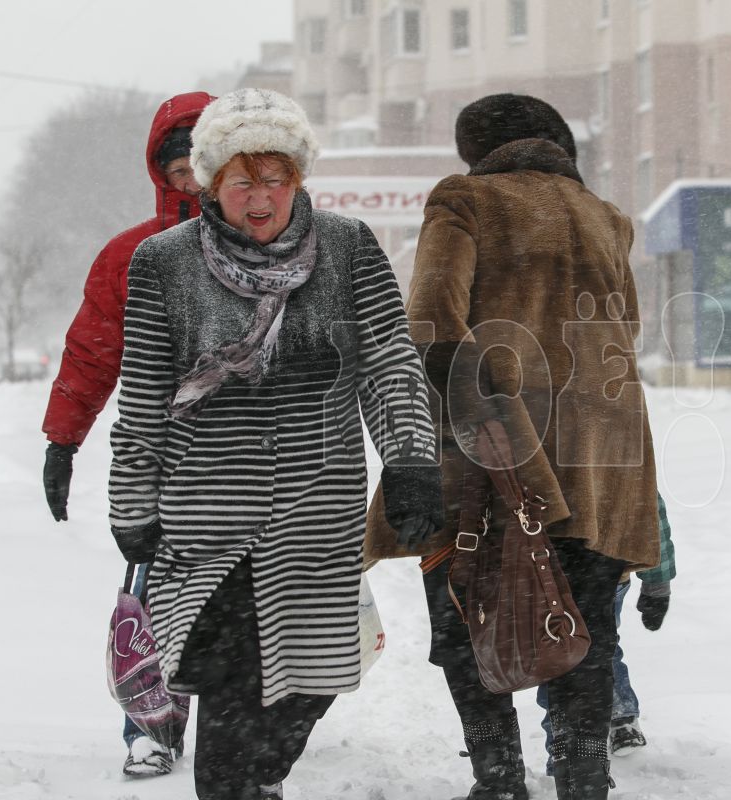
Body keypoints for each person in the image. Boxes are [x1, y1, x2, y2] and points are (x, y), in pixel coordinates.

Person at [107, 88, 441, 800]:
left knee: (305, 690)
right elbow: (141, 395)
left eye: (275, 178)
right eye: (241, 179)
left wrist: (410, 460)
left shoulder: (348, 248)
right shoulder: (162, 262)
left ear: (299, 178)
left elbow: (389, 364)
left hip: (316, 517)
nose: (260, 197)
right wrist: (131, 500)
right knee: (230, 705)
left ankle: (255, 786)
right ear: (210, 181)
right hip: (207, 524)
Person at [365, 93, 661, 800]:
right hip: (606, 454)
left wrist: (473, 426)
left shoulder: (464, 202)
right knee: (584, 623)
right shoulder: (607, 217)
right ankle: (583, 769)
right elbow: (631, 330)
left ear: (478, 151)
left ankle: (499, 777)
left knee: (467, 612)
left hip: (497, 445)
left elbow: (432, 323)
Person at [40, 90, 213, 778]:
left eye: (202, 164)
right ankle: (148, 725)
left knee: (255, 594)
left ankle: (251, 724)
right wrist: (63, 441)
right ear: (158, 171)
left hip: (257, 453)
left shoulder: (276, 243)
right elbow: (91, 351)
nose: (190, 180)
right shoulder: (130, 254)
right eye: (177, 167)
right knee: (150, 592)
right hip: (163, 455)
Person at [537, 493, 676, 773]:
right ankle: (574, 738)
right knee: (566, 653)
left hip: (606, 572)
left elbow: (647, 503)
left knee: (583, 651)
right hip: (545, 574)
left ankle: (583, 737)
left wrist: (657, 583)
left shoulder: (622, 449)